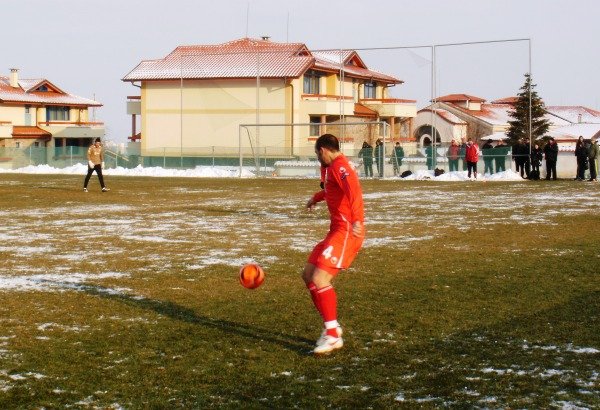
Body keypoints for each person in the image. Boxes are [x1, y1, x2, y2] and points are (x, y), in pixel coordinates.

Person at [304, 134, 365, 355]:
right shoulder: (334, 169)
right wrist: (316, 197)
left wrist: (357, 219)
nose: (318, 159)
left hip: (347, 232)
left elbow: (354, 191)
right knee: (308, 274)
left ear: (323, 151)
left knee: (320, 278)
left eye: (317, 154)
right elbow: (333, 191)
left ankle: (332, 335)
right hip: (336, 231)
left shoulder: (341, 167)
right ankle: (331, 327)